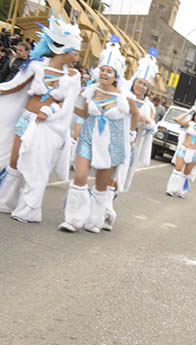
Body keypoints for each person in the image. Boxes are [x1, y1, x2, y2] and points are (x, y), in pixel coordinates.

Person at [0, 15, 82, 223]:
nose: (77, 56)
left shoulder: (73, 77)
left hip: (45, 126)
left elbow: (68, 103)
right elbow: (14, 86)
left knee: (36, 165)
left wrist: (51, 111)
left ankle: (29, 208)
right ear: (65, 51)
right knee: (15, 159)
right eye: (75, 52)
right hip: (26, 119)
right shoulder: (37, 65)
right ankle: (6, 202)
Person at [58, 37, 136, 233]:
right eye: (102, 69)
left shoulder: (124, 96)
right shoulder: (91, 91)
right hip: (88, 138)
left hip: (111, 143)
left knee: (102, 185)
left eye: (109, 71)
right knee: (80, 176)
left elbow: (135, 114)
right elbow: (85, 113)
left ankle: (94, 220)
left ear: (116, 75)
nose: (104, 73)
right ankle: (73, 219)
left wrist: (132, 132)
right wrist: (66, 107)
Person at [121, 49, 159, 198]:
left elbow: (153, 128)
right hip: (116, 140)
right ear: (134, 82)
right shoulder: (123, 96)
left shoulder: (148, 105)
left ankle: (106, 208)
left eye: (144, 84)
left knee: (121, 180)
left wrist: (147, 122)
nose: (141, 86)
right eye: (139, 82)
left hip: (131, 147)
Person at [165, 96, 196, 198]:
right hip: (184, 149)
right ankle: (171, 189)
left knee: (186, 173)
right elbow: (178, 119)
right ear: (194, 116)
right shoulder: (189, 124)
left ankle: (180, 191)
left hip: (195, 153)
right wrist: (190, 111)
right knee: (178, 170)